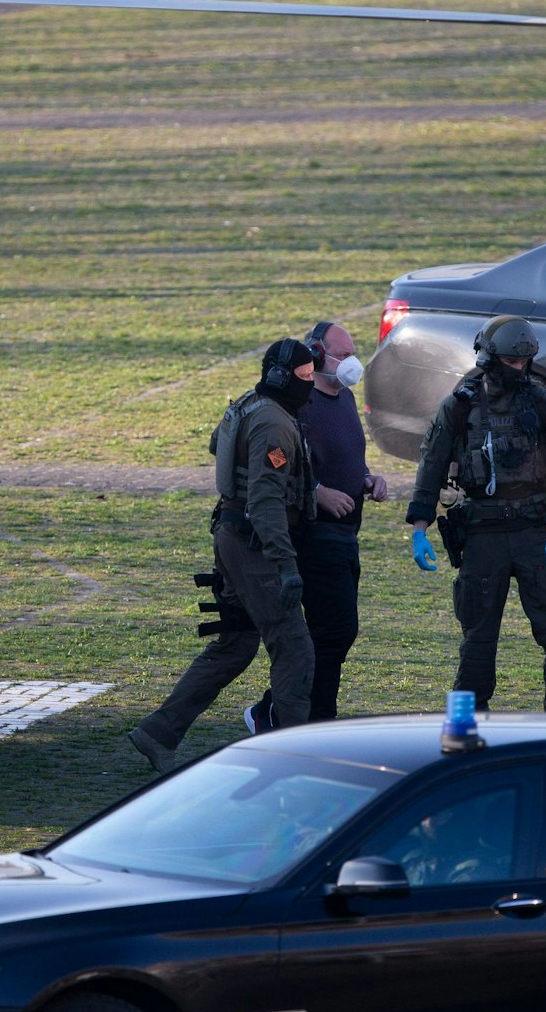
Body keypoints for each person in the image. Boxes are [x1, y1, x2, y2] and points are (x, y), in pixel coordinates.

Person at [130, 339, 320, 771]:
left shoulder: (250, 404)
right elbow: (266, 500)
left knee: (235, 643)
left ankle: (158, 733)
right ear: (281, 377)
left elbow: (219, 445)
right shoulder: (274, 423)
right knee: (293, 646)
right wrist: (286, 566)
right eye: (304, 376)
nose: (310, 384)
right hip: (255, 546)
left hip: (233, 535)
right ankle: (295, 757)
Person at [405, 316, 546, 712]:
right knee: (478, 635)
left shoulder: (544, 403)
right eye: (511, 362)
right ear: (489, 359)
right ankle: (470, 719)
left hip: (537, 530)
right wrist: (419, 528)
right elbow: (431, 465)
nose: (519, 369)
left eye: (524, 362)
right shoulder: (459, 408)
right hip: (483, 533)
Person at [245, 322, 388, 732]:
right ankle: (300, 716)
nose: (351, 363)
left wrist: (367, 479)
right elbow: (278, 465)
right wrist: (318, 492)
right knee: (335, 631)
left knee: (332, 633)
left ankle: (289, 712)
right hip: (315, 535)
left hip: (346, 534)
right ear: (317, 355)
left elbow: (345, 456)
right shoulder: (299, 403)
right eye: (343, 355)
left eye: (353, 353)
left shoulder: (345, 399)